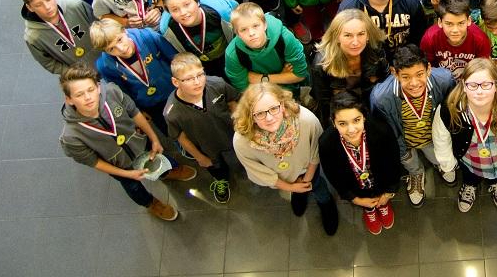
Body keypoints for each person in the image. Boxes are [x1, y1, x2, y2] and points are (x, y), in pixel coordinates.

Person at [59, 63, 194, 222]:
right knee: (133, 187)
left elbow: (134, 112)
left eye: (90, 90)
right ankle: (151, 203)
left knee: (158, 159)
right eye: (79, 94)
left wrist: (154, 138)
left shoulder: (112, 91)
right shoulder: (71, 137)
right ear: (69, 99)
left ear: (98, 87)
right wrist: (127, 174)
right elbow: (93, 161)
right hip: (119, 166)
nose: (88, 97)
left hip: (141, 144)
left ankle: (167, 172)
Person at [231, 82, 339, 232]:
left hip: (308, 170)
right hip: (282, 178)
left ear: (282, 105)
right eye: (260, 113)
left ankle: (326, 204)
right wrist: (291, 187)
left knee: (318, 186)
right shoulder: (242, 141)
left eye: (274, 108)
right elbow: (257, 171)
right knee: (298, 192)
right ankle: (298, 195)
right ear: (250, 115)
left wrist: (306, 181)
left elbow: (316, 150)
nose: (269, 118)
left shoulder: (306, 120)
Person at [433, 58, 497, 212]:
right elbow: (440, 138)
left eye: (486, 84)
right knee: (470, 175)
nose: (479, 91)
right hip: (469, 160)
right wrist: (448, 164)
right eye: (472, 85)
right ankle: (470, 184)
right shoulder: (450, 109)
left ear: (496, 85)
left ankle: (496, 183)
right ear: (464, 85)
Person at [370, 44, 458, 206]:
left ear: (429, 69)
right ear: (394, 73)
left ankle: (441, 164)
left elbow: (450, 113)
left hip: (432, 138)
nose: (414, 83)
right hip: (405, 142)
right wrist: (402, 152)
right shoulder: (380, 98)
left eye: (419, 74)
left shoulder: (445, 81)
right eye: (406, 77)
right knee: (411, 163)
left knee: (437, 157)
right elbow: (387, 133)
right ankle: (416, 174)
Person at [319, 91, 402, 234]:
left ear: (364, 117)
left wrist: (389, 192)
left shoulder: (382, 131)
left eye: (356, 120)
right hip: (356, 187)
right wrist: (355, 199)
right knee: (366, 202)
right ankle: (369, 209)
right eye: (342, 123)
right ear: (333, 122)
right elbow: (333, 175)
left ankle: (382, 205)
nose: (351, 129)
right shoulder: (326, 143)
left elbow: (394, 162)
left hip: (381, 181)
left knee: (381, 197)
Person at [163, 52, 239, 204]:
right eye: (189, 79)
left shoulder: (217, 84)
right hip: (206, 145)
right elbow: (180, 137)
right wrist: (199, 157)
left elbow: (232, 101)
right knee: (216, 166)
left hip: (231, 133)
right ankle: (221, 180)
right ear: (176, 82)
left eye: (200, 74)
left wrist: (239, 121)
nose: (197, 82)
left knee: (242, 155)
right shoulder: (172, 112)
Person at [90, 17, 178, 134]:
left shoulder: (147, 36)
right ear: (104, 51)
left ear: (124, 31)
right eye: (111, 49)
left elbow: (175, 59)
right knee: (172, 132)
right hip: (151, 105)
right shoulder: (105, 66)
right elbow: (122, 91)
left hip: (175, 90)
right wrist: (138, 110)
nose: (121, 49)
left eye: (120, 40)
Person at [310, 10, 389, 123]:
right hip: (341, 116)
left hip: (373, 109)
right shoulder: (321, 64)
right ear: (337, 37)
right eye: (348, 35)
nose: (355, 42)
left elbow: (386, 87)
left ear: (368, 35)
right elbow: (325, 105)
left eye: (361, 34)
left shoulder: (377, 50)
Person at [224, 3, 308, 94]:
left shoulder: (284, 38)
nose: (251, 33)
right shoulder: (233, 55)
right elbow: (246, 92)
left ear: (265, 25)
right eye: (243, 29)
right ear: (237, 34)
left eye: (255, 26)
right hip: (265, 95)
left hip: (295, 87)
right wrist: (282, 76)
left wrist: (261, 79)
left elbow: (300, 74)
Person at [159, 0, 237, 79]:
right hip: (202, 67)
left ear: (197, 1)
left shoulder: (221, 11)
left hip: (230, 57)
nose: (183, 12)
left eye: (187, 4)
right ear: (169, 12)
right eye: (175, 9)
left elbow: (239, 13)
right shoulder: (167, 28)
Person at [20, 0, 98, 74]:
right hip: (82, 75)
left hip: (108, 56)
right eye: (39, 5)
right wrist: (72, 73)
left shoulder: (75, 5)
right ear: (30, 7)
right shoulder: (33, 37)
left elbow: (98, 24)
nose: (47, 7)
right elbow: (48, 63)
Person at [421, 0, 492, 78]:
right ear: (440, 22)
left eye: (461, 23)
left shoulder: (480, 39)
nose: (455, 30)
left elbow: (483, 71)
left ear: (469, 21)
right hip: (441, 84)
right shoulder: (430, 38)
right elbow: (427, 70)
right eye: (449, 24)